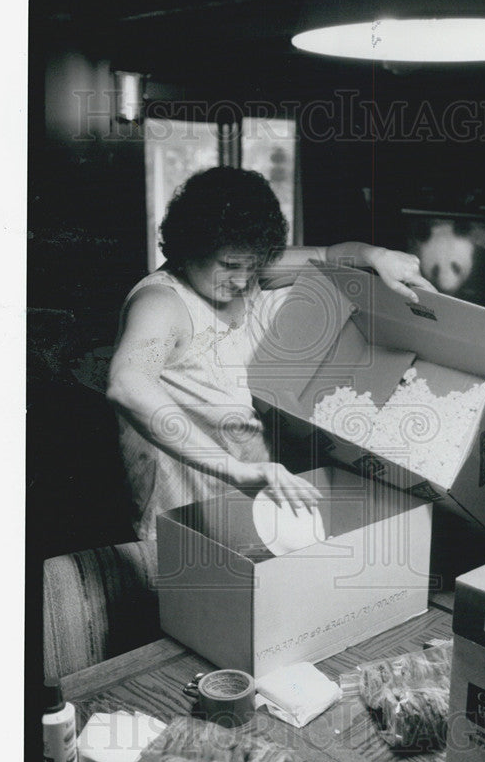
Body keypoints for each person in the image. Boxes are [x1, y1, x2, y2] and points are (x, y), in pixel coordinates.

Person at [107, 166, 434, 542]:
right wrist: (234, 469)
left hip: (256, 490)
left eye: (252, 265)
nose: (243, 280)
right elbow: (127, 383)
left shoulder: (245, 264)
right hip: (186, 506)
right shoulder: (161, 303)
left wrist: (378, 255)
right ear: (189, 246)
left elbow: (331, 255)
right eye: (229, 266)